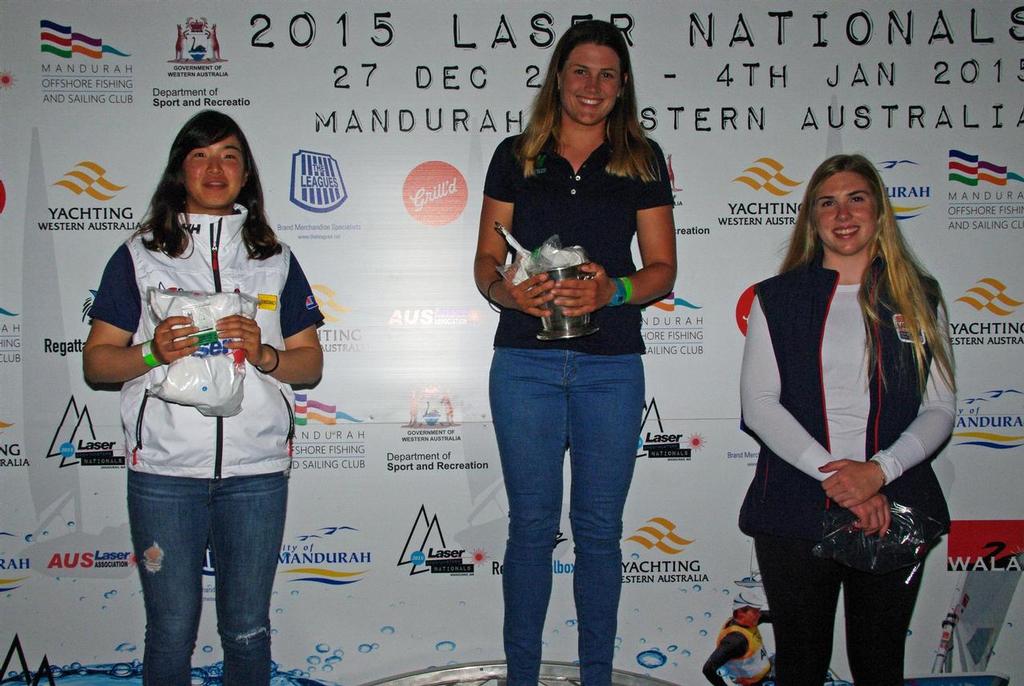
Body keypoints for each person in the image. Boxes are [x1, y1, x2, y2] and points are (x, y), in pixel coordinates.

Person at [83, 110, 324, 685]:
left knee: (246, 628)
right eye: (200, 156)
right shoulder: (140, 256)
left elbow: (309, 363)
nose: (215, 168)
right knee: (170, 629)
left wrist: (266, 355)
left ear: (246, 174)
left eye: (229, 156)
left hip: (256, 472)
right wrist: (151, 353)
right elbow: (97, 361)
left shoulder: (275, 258)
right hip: (165, 474)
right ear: (180, 171)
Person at [473, 19, 676, 686]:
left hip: (611, 367)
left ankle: (596, 678)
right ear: (558, 76)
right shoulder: (516, 155)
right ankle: (521, 678)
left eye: (607, 74)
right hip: (525, 365)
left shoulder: (641, 160)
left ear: (622, 88)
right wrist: (509, 292)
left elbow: (662, 271)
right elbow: (483, 260)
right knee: (531, 528)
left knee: (598, 533)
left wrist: (613, 290)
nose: (592, 85)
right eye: (581, 70)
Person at [737, 154, 956, 685]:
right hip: (795, 507)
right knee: (801, 668)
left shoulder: (919, 297)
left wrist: (877, 472)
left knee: (880, 666)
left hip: (897, 504)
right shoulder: (777, 298)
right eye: (827, 202)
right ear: (812, 219)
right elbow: (760, 405)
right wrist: (842, 479)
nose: (843, 213)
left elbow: (940, 408)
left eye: (856, 198)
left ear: (879, 213)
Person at [702, 591, 772, 686]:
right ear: (740, 613)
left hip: (768, 673)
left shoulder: (748, 621)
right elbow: (708, 669)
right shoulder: (735, 641)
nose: (759, 614)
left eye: (758, 611)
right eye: (755, 612)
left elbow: (770, 616)